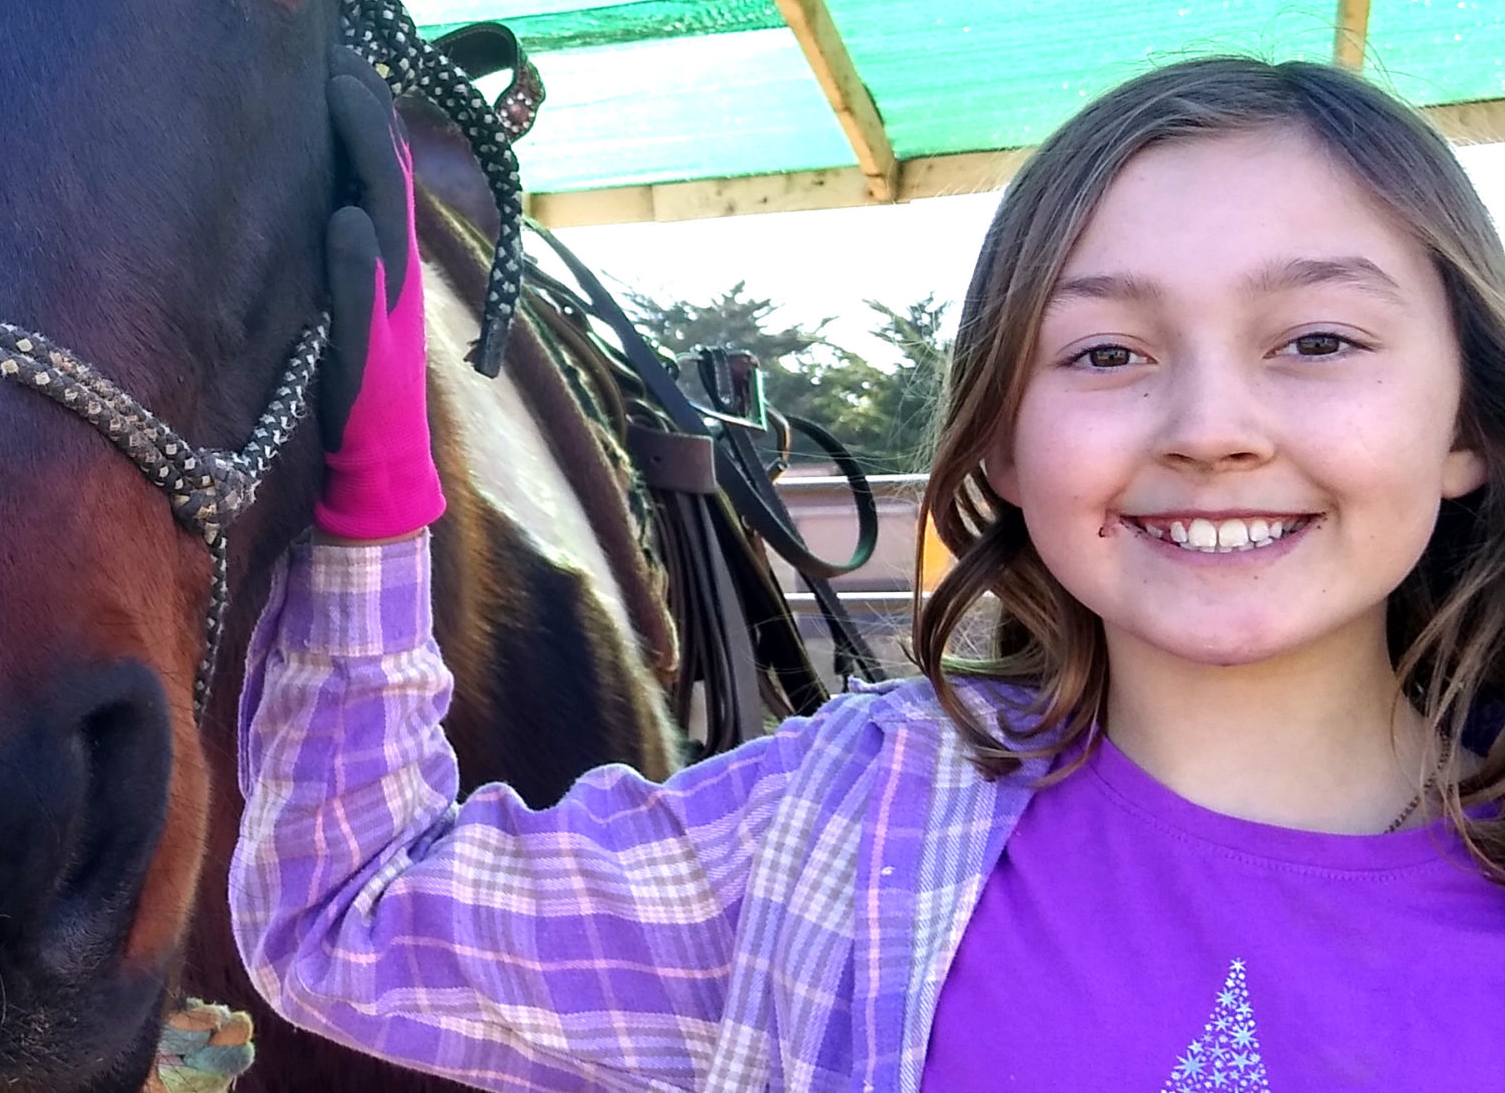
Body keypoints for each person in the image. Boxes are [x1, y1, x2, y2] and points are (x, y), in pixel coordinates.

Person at [234, 53, 1505, 1092]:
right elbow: (349, 918)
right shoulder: (845, 823)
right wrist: (377, 519)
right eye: (1106, 353)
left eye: (1319, 340)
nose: (1210, 425)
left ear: (1466, 427)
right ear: (1004, 440)